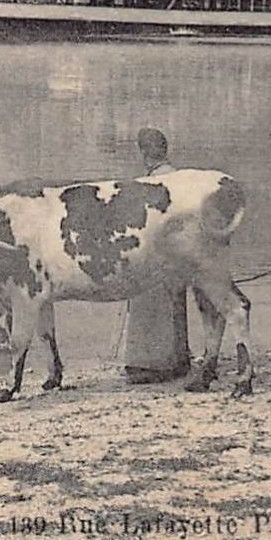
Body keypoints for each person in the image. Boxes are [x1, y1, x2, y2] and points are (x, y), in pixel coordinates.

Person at [124, 128, 191, 384]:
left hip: (156, 254)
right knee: (176, 303)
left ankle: (150, 364)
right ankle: (179, 359)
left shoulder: (147, 183)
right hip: (180, 251)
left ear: (144, 153)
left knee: (145, 300)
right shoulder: (180, 178)